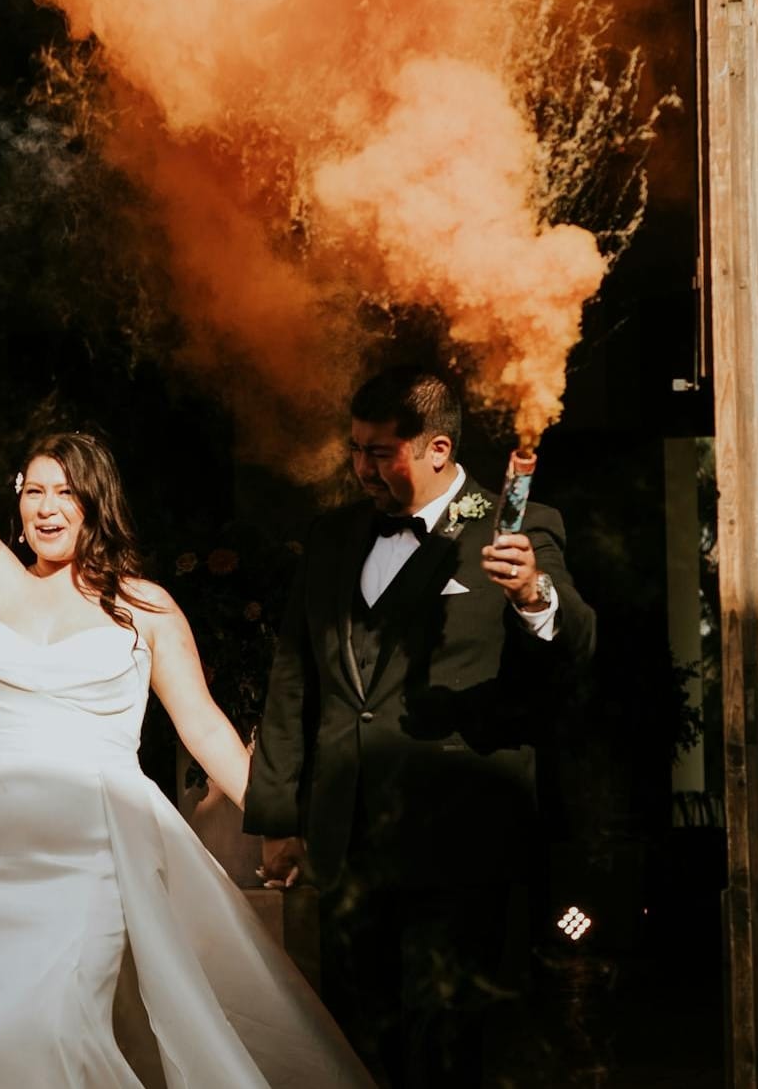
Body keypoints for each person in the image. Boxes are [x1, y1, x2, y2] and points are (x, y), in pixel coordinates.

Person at [0, 284, 376, 1089]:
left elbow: (206, 730)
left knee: (57, 1024)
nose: (45, 506)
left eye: (63, 491)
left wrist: (286, 825)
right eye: (33, 489)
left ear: (93, 503)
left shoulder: (145, 607)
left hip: (90, 848)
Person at [244, 368, 596, 1089]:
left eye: (380, 453)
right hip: (346, 835)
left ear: (438, 449)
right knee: (352, 1040)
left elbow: (576, 648)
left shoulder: (515, 526)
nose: (361, 468)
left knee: (446, 1047)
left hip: (459, 837)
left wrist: (533, 593)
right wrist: (279, 814)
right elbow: (294, 675)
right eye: (355, 450)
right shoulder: (332, 536)